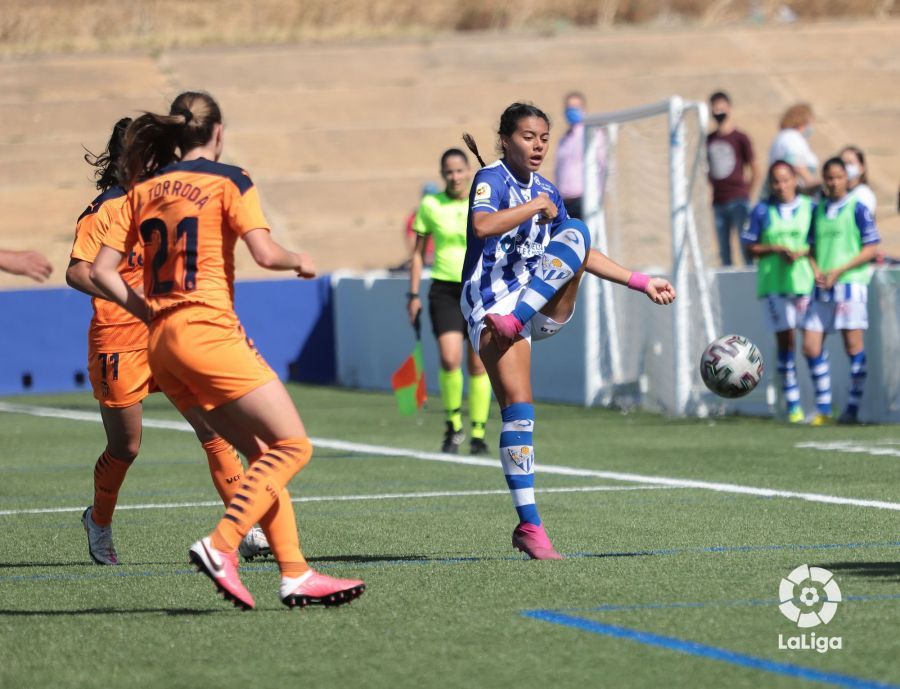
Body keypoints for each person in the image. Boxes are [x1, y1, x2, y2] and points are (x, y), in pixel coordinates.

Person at [90, 92, 364, 609]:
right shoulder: (229, 179)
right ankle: (222, 545)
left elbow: (101, 271)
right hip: (207, 330)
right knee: (293, 447)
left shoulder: (143, 187)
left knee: (261, 454)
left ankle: (295, 572)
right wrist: (298, 260)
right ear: (217, 132)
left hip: (161, 342)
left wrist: (149, 311)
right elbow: (264, 252)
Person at [461, 103, 675, 560]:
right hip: (491, 305)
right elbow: (481, 226)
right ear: (504, 139)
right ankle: (530, 527)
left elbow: (581, 250)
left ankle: (519, 318)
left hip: (528, 307)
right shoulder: (491, 180)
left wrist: (641, 281)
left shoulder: (547, 190)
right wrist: (530, 209)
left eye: (543, 137)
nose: (537, 145)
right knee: (520, 414)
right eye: (526, 136)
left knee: (576, 229)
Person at [67, 117, 270, 566]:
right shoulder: (106, 209)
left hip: (172, 335)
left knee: (214, 429)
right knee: (127, 447)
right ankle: (98, 521)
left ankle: (247, 529)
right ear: (122, 160)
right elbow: (78, 271)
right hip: (118, 340)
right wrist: (133, 298)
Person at [408, 149, 492, 455]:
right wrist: (413, 294)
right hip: (444, 289)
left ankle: (479, 432)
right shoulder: (431, 205)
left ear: (469, 172)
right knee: (449, 358)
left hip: (480, 288)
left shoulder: (482, 202)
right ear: (442, 175)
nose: (455, 177)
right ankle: (454, 425)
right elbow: (417, 254)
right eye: (449, 172)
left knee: (478, 363)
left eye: (460, 171)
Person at [801, 157, 880, 425]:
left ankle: (852, 409)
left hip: (850, 284)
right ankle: (823, 406)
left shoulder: (858, 208)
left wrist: (840, 270)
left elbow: (871, 248)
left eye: (838, 177)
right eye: (829, 177)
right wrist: (815, 269)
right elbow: (810, 249)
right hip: (822, 286)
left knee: (852, 345)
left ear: (847, 179)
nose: (833, 182)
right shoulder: (818, 210)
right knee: (810, 346)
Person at [741, 161, 814, 423]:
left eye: (786, 179)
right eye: (776, 181)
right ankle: (793, 405)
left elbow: (818, 243)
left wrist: (803, 254)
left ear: (795, 179)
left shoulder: (811, 207)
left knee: (812, 346)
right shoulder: (762, 210)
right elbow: (748, 245)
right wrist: (774, 249)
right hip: (774, 287)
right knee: (787, 344)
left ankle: (824, 407)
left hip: (805, 284)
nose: (781, 185)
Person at [707, 91, 758, 266]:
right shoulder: (710, 139)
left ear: (729, 108)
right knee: (724, 249)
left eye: (722, 107)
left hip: (738, 199)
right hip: (718, 201)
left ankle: (749, 281)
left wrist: (747, 193)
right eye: (715, 108)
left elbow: (754, 168)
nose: (718, 111)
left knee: (745, 244)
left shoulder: (740, 138)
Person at [553, 91, 606, 219]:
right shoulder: (564, 139)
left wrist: (597, 196)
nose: (572, 111)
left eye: (575, 107)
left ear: (584, 109)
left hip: (584, 199)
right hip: (565, 201)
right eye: (569, 108)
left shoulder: (593, 135)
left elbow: (603, 165)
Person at [768, 103, 820, 194]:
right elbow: (796, 163)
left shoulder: (782, 137)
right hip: (796, 192)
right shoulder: (792, 137)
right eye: (810, 123)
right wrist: (811, 182)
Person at [840, 145, 876, 214]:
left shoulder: (864, 195)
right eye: (843, 163)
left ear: (862, 168)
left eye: (850, 163)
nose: (846, 167)